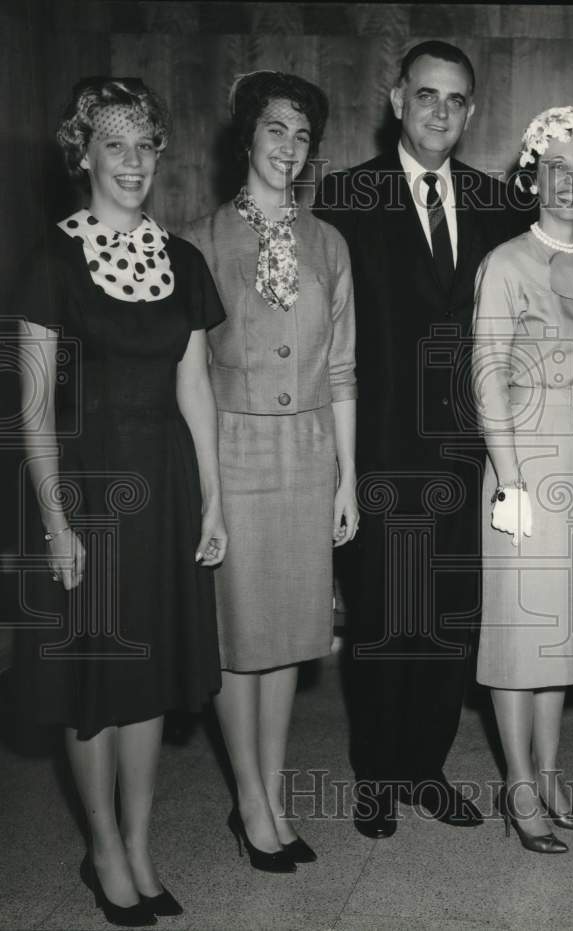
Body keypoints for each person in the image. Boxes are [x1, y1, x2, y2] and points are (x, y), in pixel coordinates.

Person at [16, 76, 227, 925]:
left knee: (147, 679)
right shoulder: (53, 259)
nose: (134, 161)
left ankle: (140, 844)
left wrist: (212, 501)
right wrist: (54, 522)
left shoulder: (181, 259)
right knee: (94, 682)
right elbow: (32, 404)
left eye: (146, 144)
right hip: (88, 493)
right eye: (116, 144)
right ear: (84, 153)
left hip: (166, 491)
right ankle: (102, 848)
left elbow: (196, 389)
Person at [314, 41, 521, 839]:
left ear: (471, 110)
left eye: (457, 99)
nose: (440, 111)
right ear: (396, 98)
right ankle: (375, 774)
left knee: (448, 618)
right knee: (377, 616)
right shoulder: (344, 197)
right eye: (426, 95)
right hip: (374, 445)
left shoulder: (499, 203)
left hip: (468, 454)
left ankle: (424, 768)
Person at [183, 71, 358, 870]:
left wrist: (346, 478)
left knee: (290, 636)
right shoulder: (199, 241)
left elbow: (344, 369)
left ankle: (274, 789)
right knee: (236, 635)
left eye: (302, 136)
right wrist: (206, 487)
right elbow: (188, 374)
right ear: (246, 138)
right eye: (276, 130)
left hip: (309, 453)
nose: (290, 147)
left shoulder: (330, 242)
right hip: (234, 452)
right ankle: (249, 800)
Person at [473, 106, 573, 853]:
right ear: (531, 174)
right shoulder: (506, 262)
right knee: (520, 638)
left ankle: (549, 768)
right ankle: (517, 785)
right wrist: (510, 484)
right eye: (556, 166)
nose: (569, 181)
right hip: (528, 468)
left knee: (564, 635)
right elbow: (488, 379)